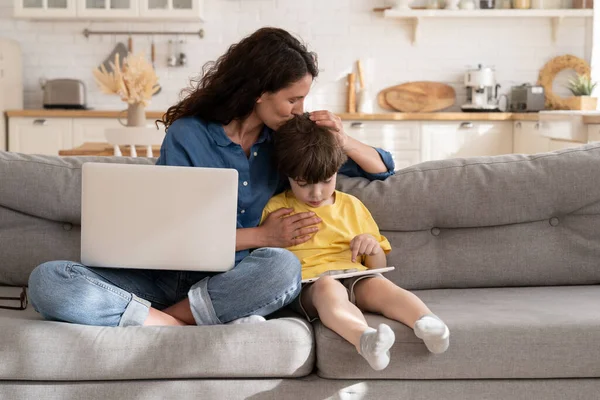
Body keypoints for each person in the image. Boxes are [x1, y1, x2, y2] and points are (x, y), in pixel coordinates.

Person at [27, 27, 395, 328]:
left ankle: (157, 322)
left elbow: (380, 168)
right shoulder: (189, 135)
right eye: (293, 99)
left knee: (283, 268)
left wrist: (341, 138)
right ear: (259, 94)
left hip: (232, 281)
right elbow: (171, 230)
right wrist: (262, 235)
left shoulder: (287, 138)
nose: (301, 109)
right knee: (50, 280)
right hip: (160, 275)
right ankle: (175, 323)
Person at [261, 114, 450, 371]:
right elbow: (266, 260)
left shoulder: (352, 206)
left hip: (355, 274)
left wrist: (370, 245)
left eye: (326, 181)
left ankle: (428, 323)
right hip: (310, 286)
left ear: (337, 171)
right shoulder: (277, 208)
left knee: (380, 287)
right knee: (329, 289)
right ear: (288, 176)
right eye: (303, 184)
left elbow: (378, 264)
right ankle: (365, 339)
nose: (316, 194)